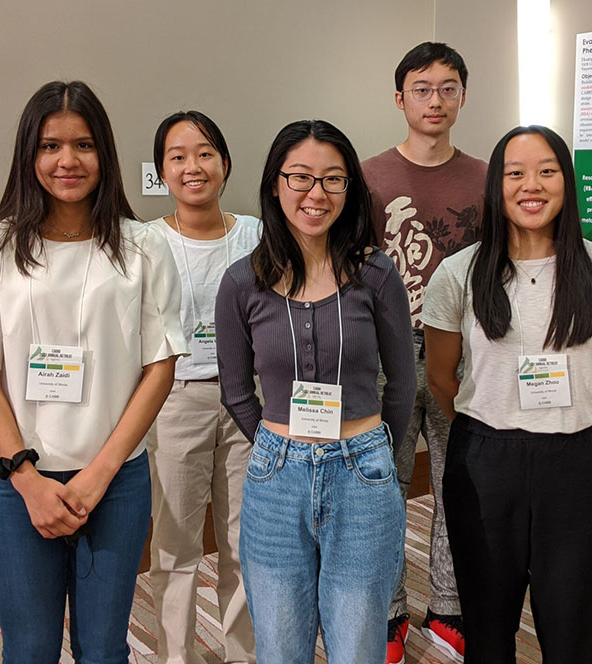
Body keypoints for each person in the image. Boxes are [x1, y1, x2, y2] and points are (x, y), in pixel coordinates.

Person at [0, 80, 186, 663]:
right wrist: (27, 479)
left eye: (83, 145)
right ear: (29, 155)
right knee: (28, 648)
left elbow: (160, 366)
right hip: (16, 483)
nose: (67, 161)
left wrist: (99, 476)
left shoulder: (143, 247)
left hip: (115, 480)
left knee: (104, 648)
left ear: (103, 153)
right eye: (50, 145)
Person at [422, 125, 592, 662]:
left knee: (570, 634)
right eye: (515, 173)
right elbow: (441, 377)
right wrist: (494, 422)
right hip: (484, 463)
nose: (532, 185)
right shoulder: (459, 273)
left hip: (576, 466)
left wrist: (562, 433)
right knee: (488, 628)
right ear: (495, 187)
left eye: (547, 171)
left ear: (566, 182)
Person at [215, 119, 416, 663]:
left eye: (333, 180)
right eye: (300, 177)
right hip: (275, 480)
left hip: (363, 473)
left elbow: (402, 383)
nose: (316, 193)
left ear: (349, 190)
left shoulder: (375, 274)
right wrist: (276, 447)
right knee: (280, 647)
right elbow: (236, 390)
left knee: (357, 644)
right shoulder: (242, 282)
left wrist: (377, 455)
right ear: (276, 184)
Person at [360, 41, 487, 663]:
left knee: (454, 482)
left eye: (447, 88)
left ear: (462, 96)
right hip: (385, 352)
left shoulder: (489, 177)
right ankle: (387, 612)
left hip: (460, 351)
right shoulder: (367, 175)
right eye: (421, 88)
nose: (434, 100)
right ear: (399, 97)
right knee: (381, 484)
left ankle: (449, 605)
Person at [147, 110, 260, 664]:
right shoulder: (143, 242)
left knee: (246, 542)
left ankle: (245, 653)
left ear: (224, 163)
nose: (193, 166)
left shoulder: (256, 235)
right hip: (173, 402)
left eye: (205, 153)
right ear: (162, 171)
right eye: (178, 156)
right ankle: (176, 657)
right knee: (175, 545)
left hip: (249, 400)